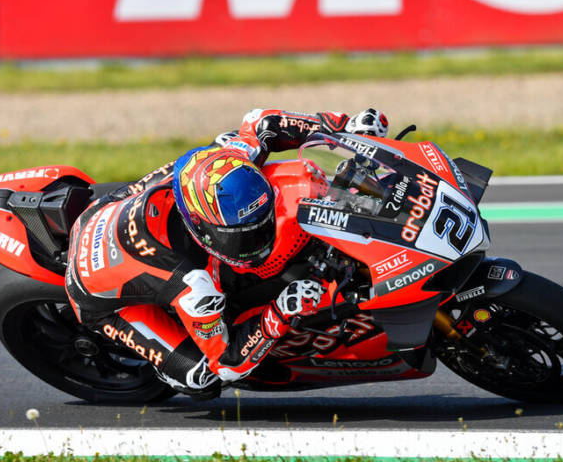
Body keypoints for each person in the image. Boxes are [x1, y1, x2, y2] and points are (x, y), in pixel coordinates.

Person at [64, 108, 389, 400]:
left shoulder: (227, 159)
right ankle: (167, 368)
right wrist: (281, 310)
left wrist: (344, 127)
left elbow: (263, 121)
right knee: (202, 378)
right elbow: (228, 362)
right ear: (204, 230)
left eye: (261, 225)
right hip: (97, 294)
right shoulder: (194, 285)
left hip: (110, 207)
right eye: (245, 237)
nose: (261, 239)